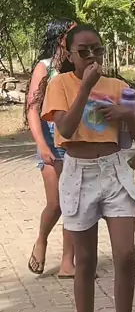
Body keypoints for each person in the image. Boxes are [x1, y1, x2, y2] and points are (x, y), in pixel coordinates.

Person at [42, 23, 135, 312]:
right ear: (69, 53)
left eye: (97, 50)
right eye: (83, 51)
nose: (91, 56)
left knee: (126, 255)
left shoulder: (119, 87)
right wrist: (86, 87)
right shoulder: (60, 85)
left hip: (114, 171)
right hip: (79, 174)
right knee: (85, 262)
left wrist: (128, 114)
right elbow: (65, 128)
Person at [26, 19, 76, 277]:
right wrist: (41, 144)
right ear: (60, 39)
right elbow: (32, 109)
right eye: (72, 33)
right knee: (56, 204)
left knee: (74, 205)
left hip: (77, 143)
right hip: (52, 143)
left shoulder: (80, 67)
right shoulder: (45, 68)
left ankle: (68, 263)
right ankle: (42, 239)